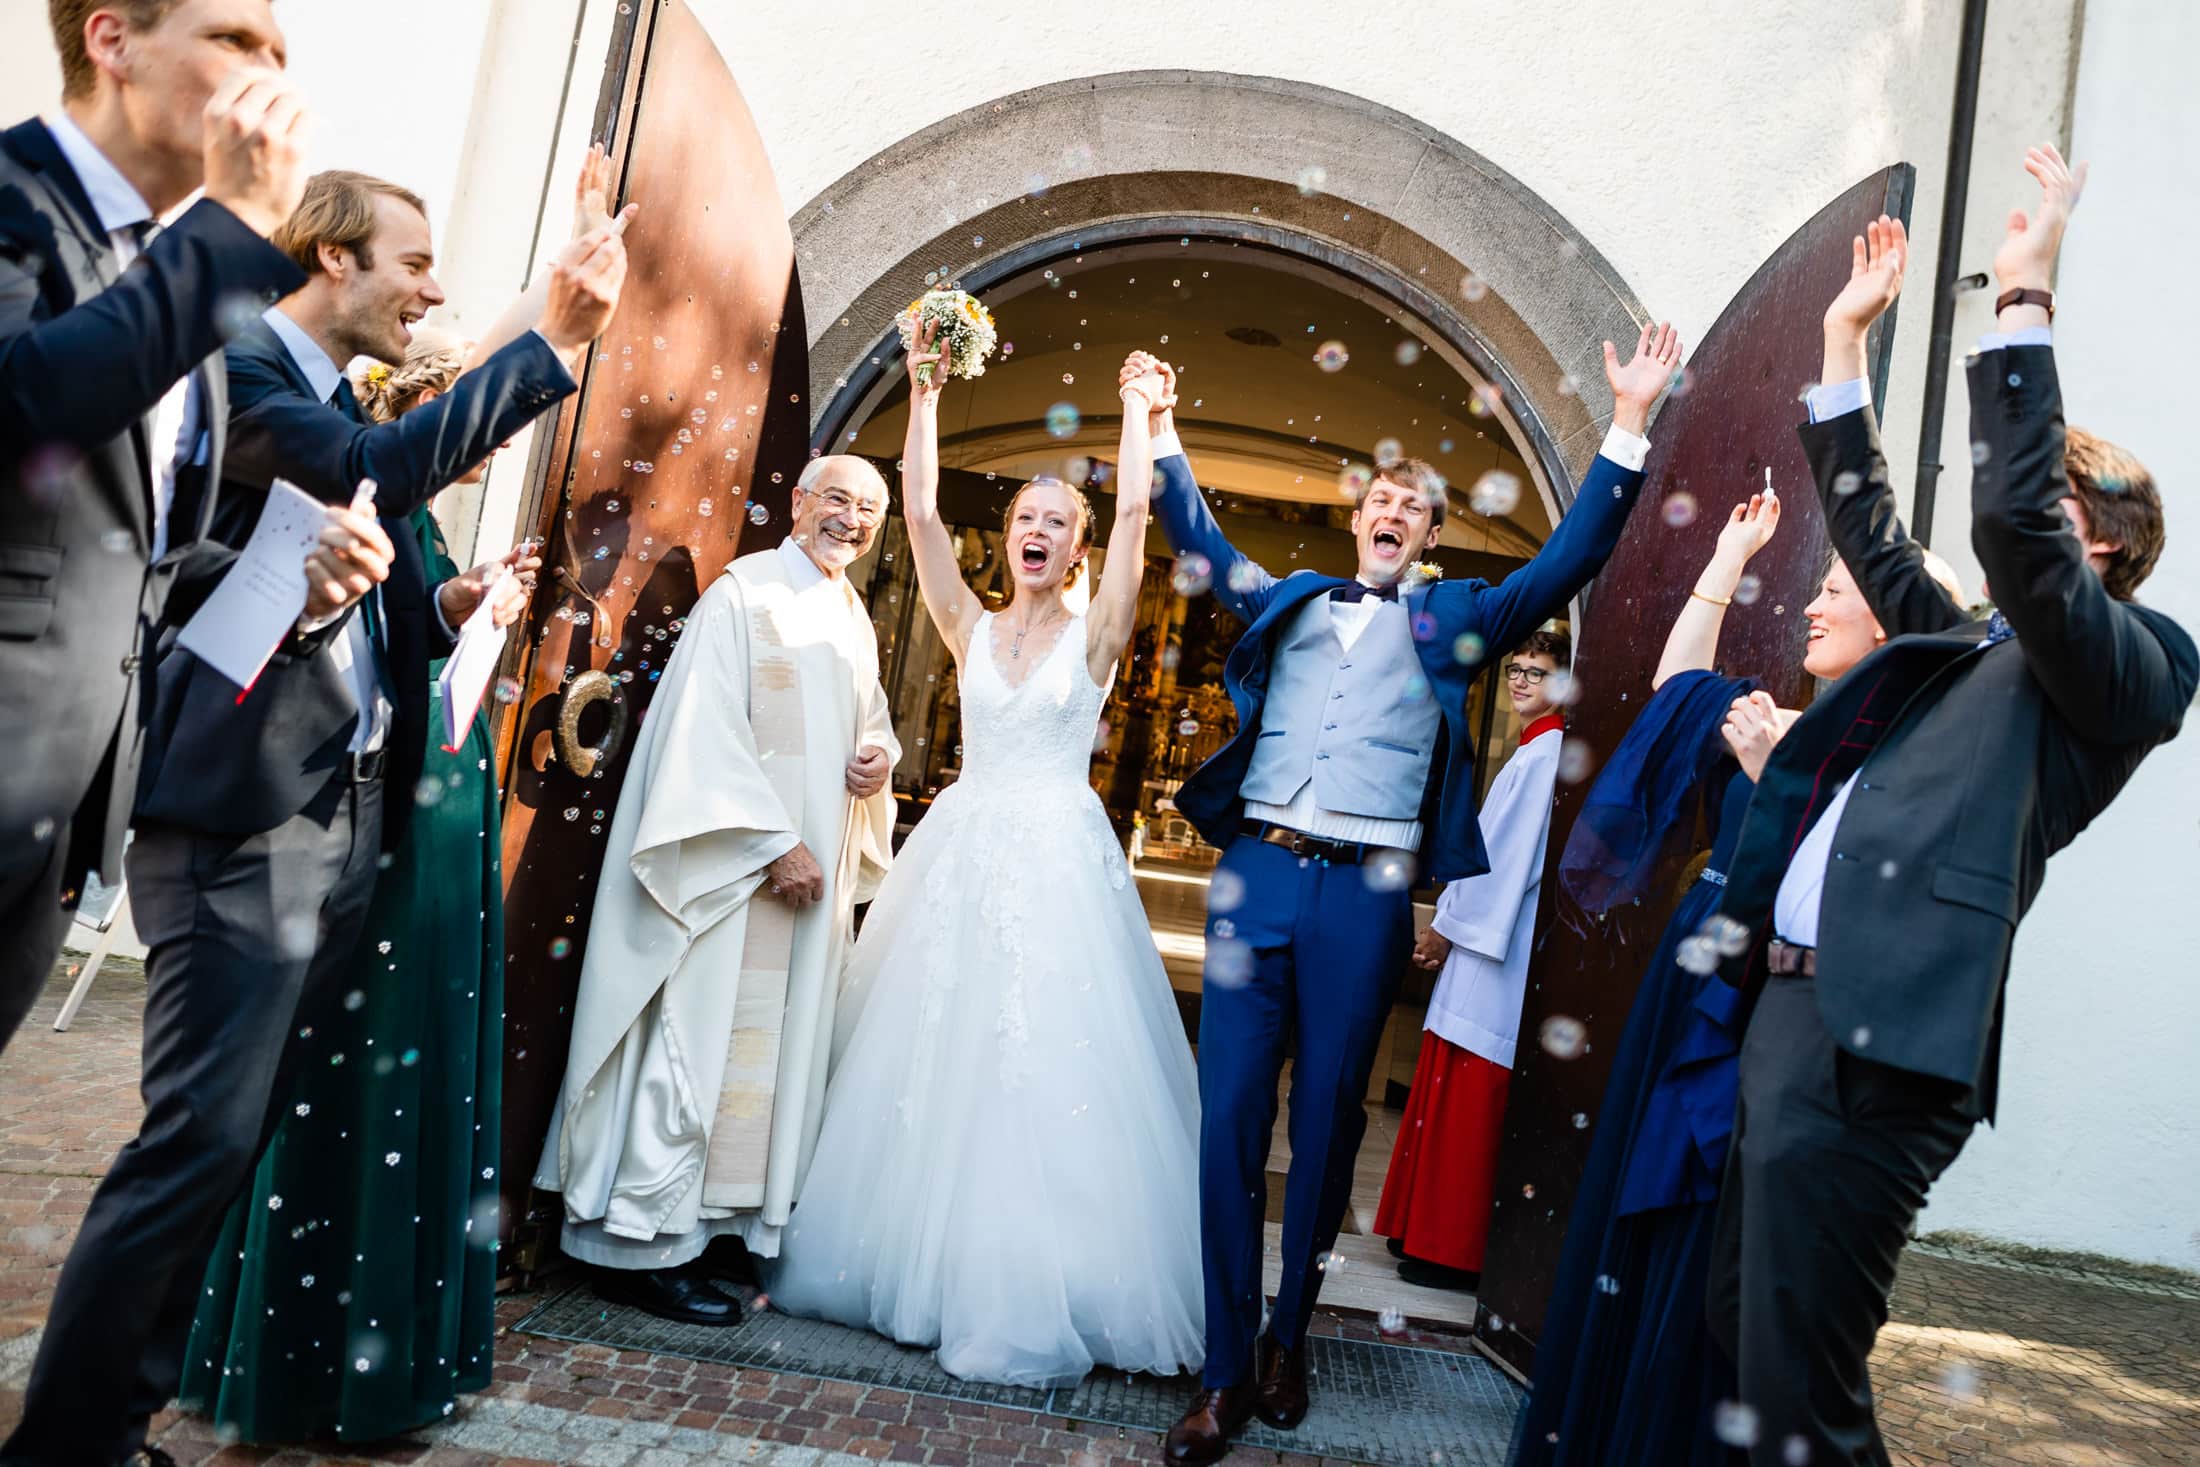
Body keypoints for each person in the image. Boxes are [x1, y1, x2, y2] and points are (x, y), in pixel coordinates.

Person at [2, 166, 622, 1466]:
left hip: (333, 822)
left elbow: (363, 570)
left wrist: (438, 616)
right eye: (415, 261)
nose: (433, 287)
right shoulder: (241, 373)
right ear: (333, 260)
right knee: (191, 1146)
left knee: (226, 1150)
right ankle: (61, 1443)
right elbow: (375, 471)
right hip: (238, 827)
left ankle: (115, 1429)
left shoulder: (324, 387)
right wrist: (553, 332)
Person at [1705, 150, 2196, 1466]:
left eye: (2049, 504)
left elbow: (2016, 531)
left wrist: (2023, 303)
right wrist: (1839, 342)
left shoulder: (2134, 665)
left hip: (1880, 1047)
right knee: (1743, 1343)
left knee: (1802, 1388)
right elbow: (1869, 527)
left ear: (2098, 544)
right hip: (1791, 1011)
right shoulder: (1969, 646)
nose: (2013, 518)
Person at [1137, 319, 1685, 1464]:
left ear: (1428, 535)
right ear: (1356, 517)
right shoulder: (1284, 599)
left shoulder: (1459, 619)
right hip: (1259, 878)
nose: (1390, 514)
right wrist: (1161, 424)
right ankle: (1225, 1373)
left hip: (1368, 896)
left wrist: (1627, 422)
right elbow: (1191, 529)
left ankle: (1291, 1337)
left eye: (1412, 507)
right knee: (1231, 1122)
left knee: (1331, 1122)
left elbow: (1569, 562)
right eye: (1377, 500)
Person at [765, 337, 1202, 1388]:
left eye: (1055, 521)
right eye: (1021, 521)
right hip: (961, 854)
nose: (1034, 533)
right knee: (928, 1049)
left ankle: (1032, 1269)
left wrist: (1139, 414)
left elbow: (1141, 517)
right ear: (1003, 542)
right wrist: (923, 392)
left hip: (1057, 857)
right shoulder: (965, 626)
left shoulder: (1096, 638)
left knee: (1041, 1055)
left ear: (1080, 546)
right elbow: (916, 516)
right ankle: (902, 1257)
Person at [1511, 494, 1964, 1465]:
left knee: (1710, 1220)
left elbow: (1850, 896)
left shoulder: (1903, 764)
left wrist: (1770, 780)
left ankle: (1676, 1426)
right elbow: (1678, 688)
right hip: (1694, 966)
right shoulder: (1767, 711)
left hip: (1766, 996)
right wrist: (1728, 550)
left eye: (1834, 591)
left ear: (1890, 623)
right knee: (1641, 1194)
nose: (1809, 605)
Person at [175, 324, 531, 1445]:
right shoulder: (345, 488)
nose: (473, 452)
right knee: (341, 1078)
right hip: (360, 816)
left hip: (423, 802)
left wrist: (457, 611)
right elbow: (284, 639)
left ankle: (382, 1347)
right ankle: (303, 1358)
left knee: (397, 1072)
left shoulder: (413, 518)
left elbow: (399, 633)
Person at [0, 0, 310, 1055]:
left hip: (64, 808)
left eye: (280, 55)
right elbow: (28, 408)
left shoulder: (168, 271)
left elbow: (133, 551)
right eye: (235, 41)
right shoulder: (13, 201)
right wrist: (230, 234)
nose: (270, 80)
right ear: (112, 38)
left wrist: (293, 579)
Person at [536, 448, 900, 1325]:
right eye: (839, 499)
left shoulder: (851, 613)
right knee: (689, 1045)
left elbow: (871, 723)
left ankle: (717, 1226)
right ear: (799, 498)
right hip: (727, 877)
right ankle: (641, 1243)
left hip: (800, 887)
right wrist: (777, 845)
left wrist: (876, 761)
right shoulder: (741, 596)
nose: (851, 519)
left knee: (767, 1061)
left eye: (871, 511)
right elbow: (701, 736)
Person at [1375, 627, 1572, 1292]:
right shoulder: (1532, 752)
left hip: (1497, 953)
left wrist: (1444, 930)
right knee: (1447, 1085)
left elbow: (1501, 868)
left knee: (1469, 1095)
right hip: (1484, 946)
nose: (1520, 681)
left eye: (1538, 672)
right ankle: (1421, 1229)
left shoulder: (1545, 759)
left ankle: (1449, 1246)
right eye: (1515, 668)